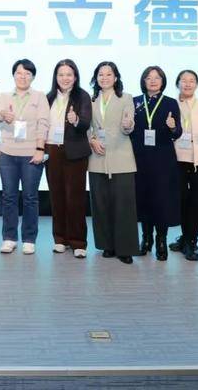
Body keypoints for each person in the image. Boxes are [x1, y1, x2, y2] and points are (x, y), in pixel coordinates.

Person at [0, 59, 50, 255]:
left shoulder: (39, 97)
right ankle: (9, 238)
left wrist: (40, 148)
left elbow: (43, 123)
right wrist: (2, 114)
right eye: (19, 73)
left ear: (33, 77)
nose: (23, 77)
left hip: (31, 154)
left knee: (30, 197)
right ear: (14, 75)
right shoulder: (4, 96)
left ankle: (29, 239)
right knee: (8, 197)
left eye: (27, 73)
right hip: (8, 153)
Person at [87, 61, 138, 264]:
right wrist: (92, 140)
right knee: (100, 205)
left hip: (121, 157)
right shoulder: (90, 100)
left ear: (116, 78)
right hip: (97, 157)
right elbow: (87, 127)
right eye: (101, 74)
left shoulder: (126, 98)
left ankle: (125, 248)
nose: (105, 78)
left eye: (109, 74)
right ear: (96, 78)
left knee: (124, 206)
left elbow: (129, 125)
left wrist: (128, 124)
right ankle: (107, 245)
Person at [131, 66, 182, 261]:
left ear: (163, 81)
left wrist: (173, 127)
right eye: (149, 78)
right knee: (143, 199)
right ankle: (146, 239)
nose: (153, 81)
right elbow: (129, 130)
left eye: (157, 78)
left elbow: (177, 133)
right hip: (140, 158)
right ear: (143, 81)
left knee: (161, 200)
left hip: (163, 159)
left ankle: (161, 240)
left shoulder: (170, 103)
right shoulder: (135, 102)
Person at [46, 59, 92, 258]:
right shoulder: (48, 98)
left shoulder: (82, 96)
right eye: (61, 74)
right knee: (56, 197)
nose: (65, 78)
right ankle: (60, 239)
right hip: (52, 151)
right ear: (55, 77)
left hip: (75, 152)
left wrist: (76, 120)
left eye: (69, 74)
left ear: (75, 77)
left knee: (75, 198)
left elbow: (86, 123)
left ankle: (78, 241)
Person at [169, 69, 198, 261]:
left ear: (196, 84)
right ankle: (185, 237)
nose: (187, 84)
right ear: (177, 84)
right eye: (183, 80)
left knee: (197, 202)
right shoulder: (171, 105)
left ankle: (191, 241)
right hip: (178, 159)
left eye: (191, 81)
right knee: (181, 200)